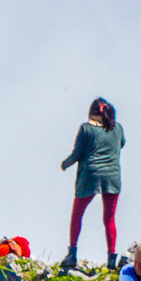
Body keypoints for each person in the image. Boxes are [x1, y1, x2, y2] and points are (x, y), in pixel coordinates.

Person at [59, 97, 125, 271]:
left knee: (77, 214)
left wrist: (64, 164)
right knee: (109, 219)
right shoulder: (117, 128)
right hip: (112, 176)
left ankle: (72, 255)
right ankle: (111, 259)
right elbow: (121, 144)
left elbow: (77, 154)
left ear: (93, 113)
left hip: (90, 175)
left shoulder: (86, 129)